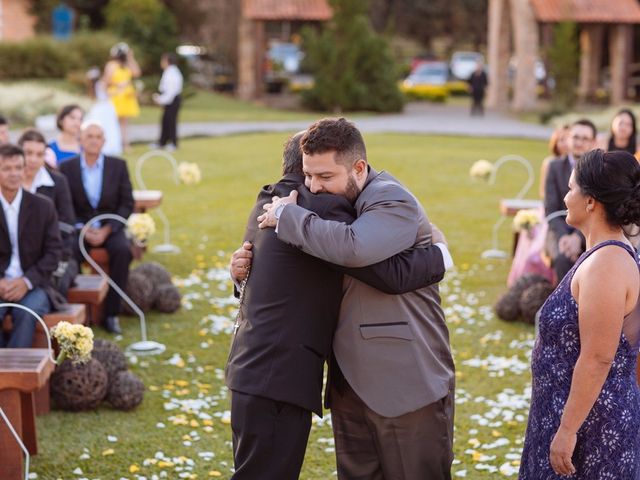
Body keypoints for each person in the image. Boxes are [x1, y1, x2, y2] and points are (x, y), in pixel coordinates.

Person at [227, 131, 451, 480]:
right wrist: (437, 257)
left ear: (357, 167)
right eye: (310, 175)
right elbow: (376, 270)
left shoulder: (276, 203)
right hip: (306, 376)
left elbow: (359, 255)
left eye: (325, 176)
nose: (315, 187)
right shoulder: (301, 206)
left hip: (392, 379)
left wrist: (438, 258)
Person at [520, 149, 640, 478]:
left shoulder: (608, 264)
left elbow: (598, 357)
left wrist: (567, 430)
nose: (565, 195)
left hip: (592, 428)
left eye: (572, 188)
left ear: (591, 202)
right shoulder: (603, 255)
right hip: (572, 414)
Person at [59, 122, 134, 334]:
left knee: (123, 251)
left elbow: (126, 202)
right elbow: (64, 205)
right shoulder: (67, 167)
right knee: (67, 252)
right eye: (89, 136)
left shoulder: (118, 166)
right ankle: (71, 309)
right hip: (79, 229)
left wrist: (108, 229)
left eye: (98, 136)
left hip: (109, 227)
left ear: (104, 141)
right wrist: (81, 228)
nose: (93, 140)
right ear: (80, 140)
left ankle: (111, 313)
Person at [0, 143, 62, 348]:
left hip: (35, 284)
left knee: (25, 313)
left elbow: (54, 253)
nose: (14, 174)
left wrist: (26, 281)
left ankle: (17, 375)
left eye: (18, 168)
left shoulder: (43, 206)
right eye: (7, 168)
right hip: (1, 283)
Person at [544, 119, 596, 283]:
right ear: (568, 138)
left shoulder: (598, 171)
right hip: (558, 230)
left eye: (584, 138)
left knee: (593, 260)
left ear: (593, 142)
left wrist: (577, 237)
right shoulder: (554, 167)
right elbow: (550, 209)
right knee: (562, 258)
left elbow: (596, 211)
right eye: (575, 137)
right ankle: (564, 306)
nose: (579, 142)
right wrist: (564, 238)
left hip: (589, 232)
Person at [104, 42, 141, 152]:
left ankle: (126, 144)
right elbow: (106, 81)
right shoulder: (111, 65)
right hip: (116, 96)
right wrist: (118, 85)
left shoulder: (127, 65)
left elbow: (137, 73)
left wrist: (131, 58)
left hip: (127, 96)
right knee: (114, 121)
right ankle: (115, 144)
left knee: (125, 123)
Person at [85, 67, 122, 157]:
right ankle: (109, 146)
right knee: (109, 127)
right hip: (106, 107)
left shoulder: (93, 87)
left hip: (99, 107)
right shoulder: (101, 84)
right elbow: (108, 94)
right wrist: (119, 89)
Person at [152, 53, 183, 151]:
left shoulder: (172, 73)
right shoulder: (169, 72)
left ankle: (173, 143)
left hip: (172, 100)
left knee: (171, 121)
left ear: (166, 61)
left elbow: (171, 91)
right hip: (169, 99)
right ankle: (162, 142)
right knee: (165, 121)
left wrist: (161, 100)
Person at [540, 125, 569, 198]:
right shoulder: (549, 163)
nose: (566, 143)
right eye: (562, 140)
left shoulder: (578, 163)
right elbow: (543, 192)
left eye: (568, 139)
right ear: (555, 142)